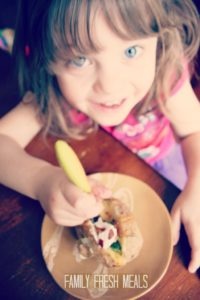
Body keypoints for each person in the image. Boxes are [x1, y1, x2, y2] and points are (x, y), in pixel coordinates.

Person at [0, 0, 200, 273]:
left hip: (174, 167)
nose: (110, 85)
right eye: (79, 59)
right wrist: (41, 181)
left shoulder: (165, 74)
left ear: (160, 37)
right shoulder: (52, 95)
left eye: (131, 50)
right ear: (46, 59)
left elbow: (194, 130)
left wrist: (197, 186)